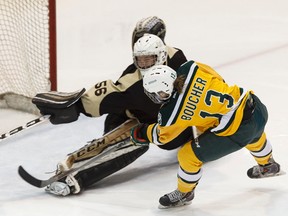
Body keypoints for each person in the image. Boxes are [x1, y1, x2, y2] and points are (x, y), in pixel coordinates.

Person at [32, 16, 189, 196]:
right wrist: (77, 105)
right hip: (133, 116)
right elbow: (111, 94)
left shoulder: (174, 62)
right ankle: (76, 166)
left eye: (149, 58)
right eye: (140, 58)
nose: (144, 63)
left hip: (172, 126)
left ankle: (79, 176)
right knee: (128, 133)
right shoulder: (140, 74)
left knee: (140, 139)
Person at [130, 63, 281, 208]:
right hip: (255, 106)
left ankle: (184, 193)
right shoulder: (191, 67)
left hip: (240, 130)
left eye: (155, 94)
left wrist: (142, 132)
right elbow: (217, 78)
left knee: (187, 155)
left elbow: (162, 136)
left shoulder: (171, 113)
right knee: (253, 134)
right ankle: (268, 165)